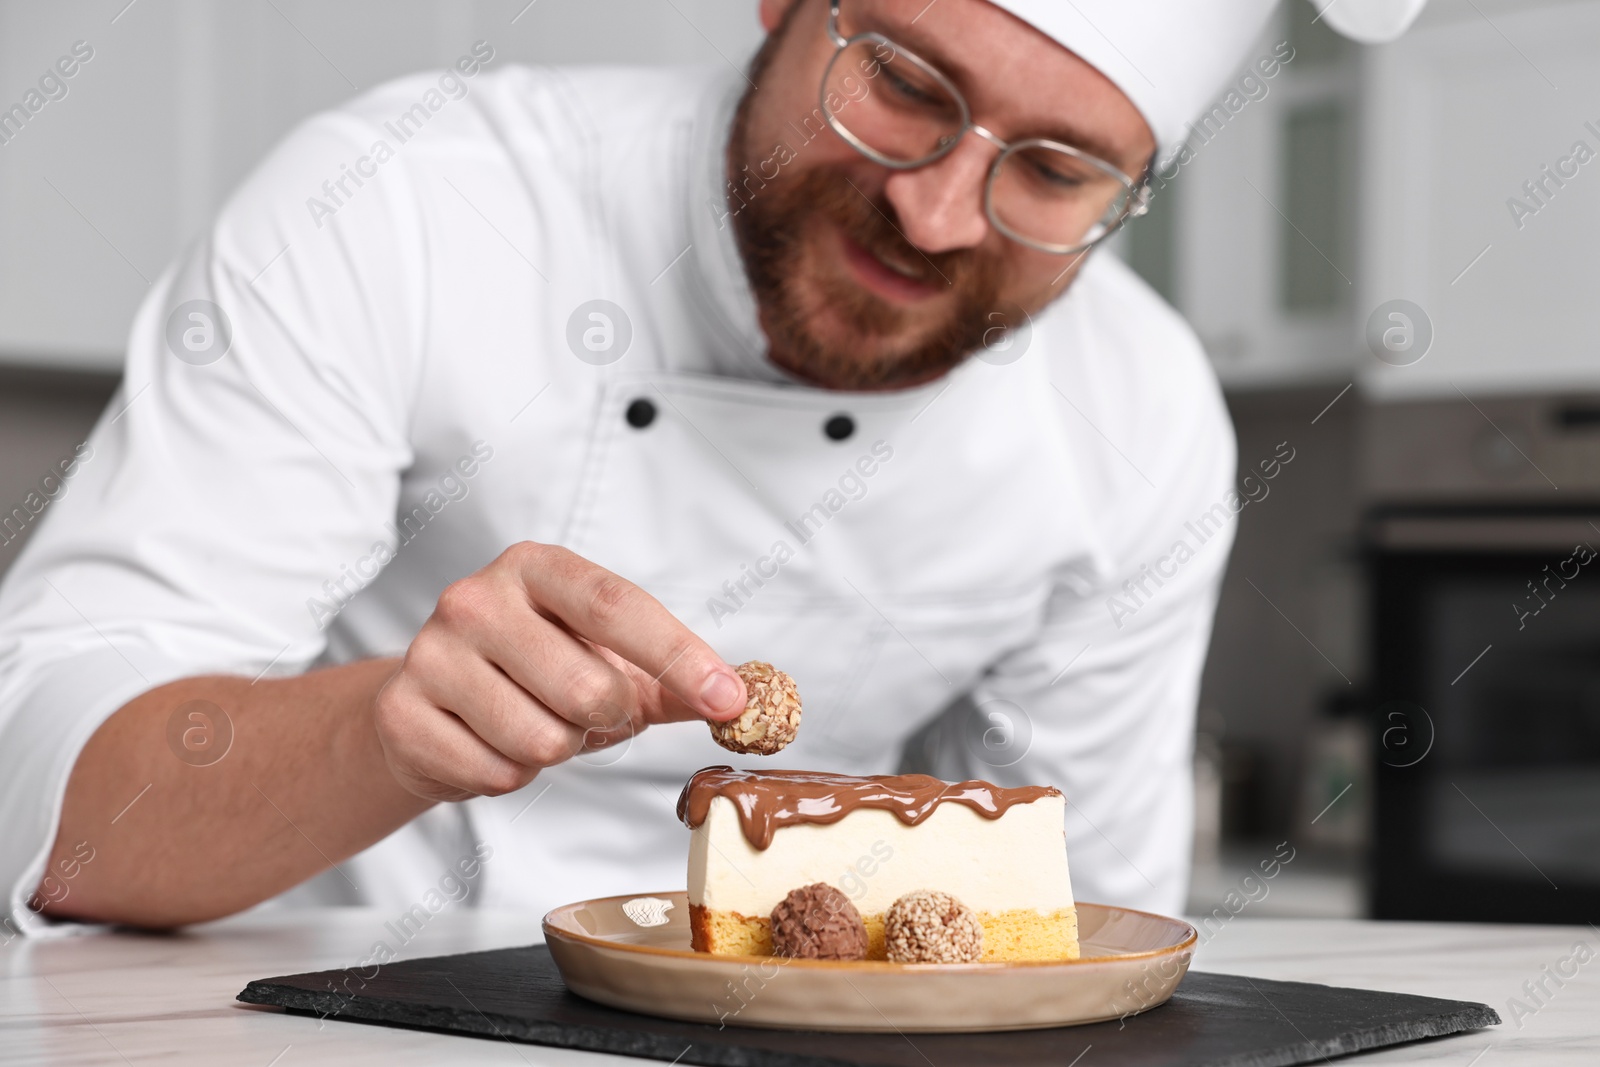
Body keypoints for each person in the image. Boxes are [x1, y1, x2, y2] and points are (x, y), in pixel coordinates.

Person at [0, 0, 1422, 939]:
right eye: (906, 83)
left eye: (1053, 174)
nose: (933, 214)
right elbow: (54, 811)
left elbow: (1077, 941)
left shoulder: (1141, 414)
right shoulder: (408, 206)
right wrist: (385, 731)